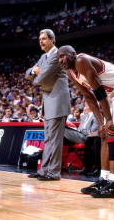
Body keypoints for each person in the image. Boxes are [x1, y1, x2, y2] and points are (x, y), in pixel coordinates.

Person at [57, 45, 114, 198]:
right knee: (104, 134)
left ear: (73, 54)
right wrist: (101, 123)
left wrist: (109, 119)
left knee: (113, 129)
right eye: (58, 58)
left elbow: (99, 92)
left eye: (63, 56)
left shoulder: (81, 60)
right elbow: (89, 97)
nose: (60, 60)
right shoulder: (70, 72)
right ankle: (103, 180)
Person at [25, 29, 70, 181]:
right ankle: (44, 170)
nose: (41, 41)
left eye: (44, 38)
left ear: (52, 40)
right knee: (48, 139)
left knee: (55, 139)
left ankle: (54, 172)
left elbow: (41, 79)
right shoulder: (44, 57)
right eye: (39, 39)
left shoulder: (57, 55)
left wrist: (36, 74)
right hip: (49, 102)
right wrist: (34, 71)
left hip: (57, 102)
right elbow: (28, 73)